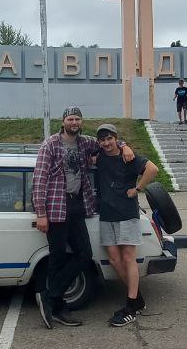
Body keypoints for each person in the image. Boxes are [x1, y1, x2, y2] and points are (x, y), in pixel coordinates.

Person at [32, 106, 134, 329]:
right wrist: (41, 213)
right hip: (56, 207)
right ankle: (58, 307)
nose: (74, 122)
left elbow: (107, 143)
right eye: (70, 119)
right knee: (57, 257)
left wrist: (125, 146)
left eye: (77, 119)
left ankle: (49, 296)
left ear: (81, 121)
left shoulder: (85, 143)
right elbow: (39, 180)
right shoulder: (50, 144)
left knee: (84, 253)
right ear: (63, 121)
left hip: (77, 205)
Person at [95, 123, 159, 327]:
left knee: (128, 258)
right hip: (107, 214)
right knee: (114, 260)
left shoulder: (128, 157)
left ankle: (131, 305)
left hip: (126, 214)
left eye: (109, 138)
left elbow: (153, 169)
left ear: (116, 138)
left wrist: (137, 188)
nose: (106, 143)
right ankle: (137, 298)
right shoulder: (100, 156)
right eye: (102, 140)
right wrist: (124, 145)